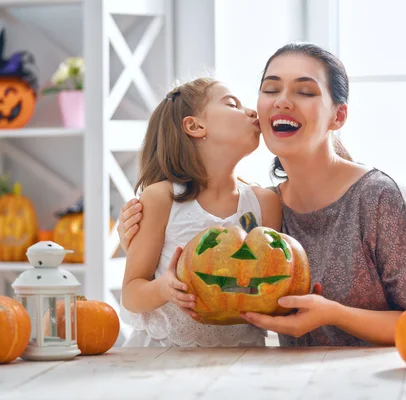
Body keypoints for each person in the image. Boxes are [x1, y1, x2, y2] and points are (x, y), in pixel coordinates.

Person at [118, 43, 406, 348]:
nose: (282, 101)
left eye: (305, 91)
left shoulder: (381, 201)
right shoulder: (267, 207)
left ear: (338, 116)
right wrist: (137, 232)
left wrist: (332, 313)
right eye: (270, 89)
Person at [120, 77, 285, 347]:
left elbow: (269, 284)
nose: (252, 112)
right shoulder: (161, 198)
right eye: (232, 104)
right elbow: (131, 293)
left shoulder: (265, 203)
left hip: (241, 356)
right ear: (195, 126)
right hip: (162, 357)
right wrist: (163, 288)